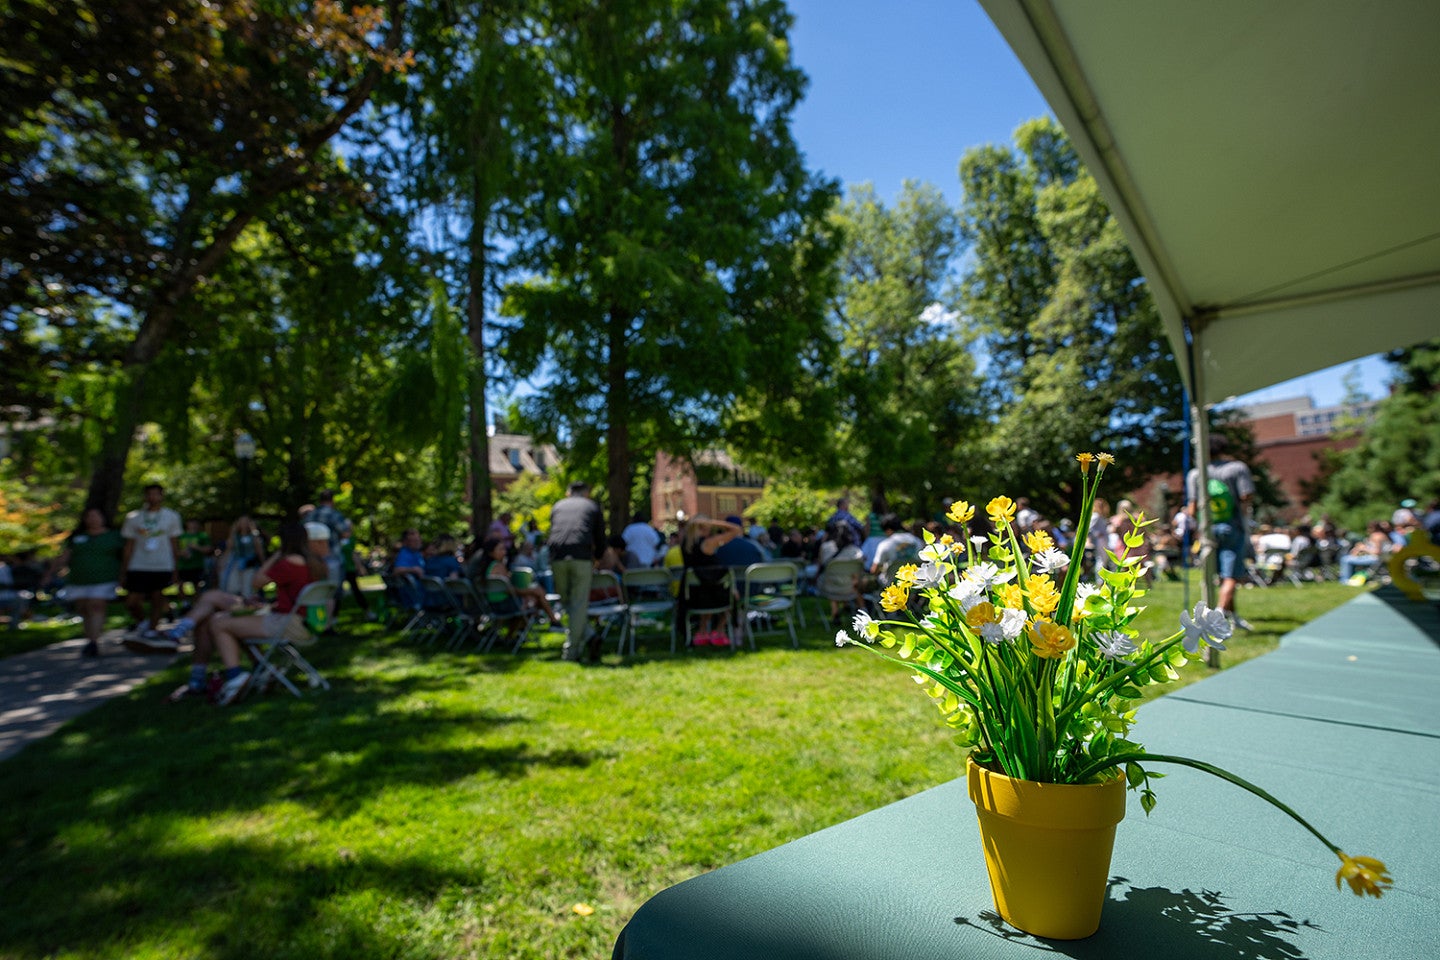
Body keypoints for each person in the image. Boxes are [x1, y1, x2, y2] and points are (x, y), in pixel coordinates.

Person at [171, 522, 327, 705]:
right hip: (308, 622)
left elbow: (257, 581)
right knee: (224, 614)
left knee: (218, 623)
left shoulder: (288, 563)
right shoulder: (315, 562)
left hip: (290, 624)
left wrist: (275, 555)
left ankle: (235, 676)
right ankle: (261, 669)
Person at [1186, 434, 1257, 630]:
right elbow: (1246, 496)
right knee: (1232, 576)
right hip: (1233, 527)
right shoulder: (1236, 468)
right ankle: (1216, 618)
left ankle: (1233, 617)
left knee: (1217, 577)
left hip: (1207, 530)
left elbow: (1192, 509)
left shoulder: (1195, 474)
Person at [53, 508, 125, 658]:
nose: (93, 519)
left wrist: (123, 576)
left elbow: (126, 555)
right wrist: (50, 573)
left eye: (96, 515)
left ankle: (93, 641)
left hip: (104, 578)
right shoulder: (78, 537)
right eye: (89, 516)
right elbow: (65, 556)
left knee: (96, 605)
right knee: (84, 609)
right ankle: (90, 639)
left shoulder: (114, 536)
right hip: (79, 580)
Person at [120, 483, 184, 650]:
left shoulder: (171, 516)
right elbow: (129, 545)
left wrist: (176, 570)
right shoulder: (134, 517)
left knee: (158, 598)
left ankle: (152, 630)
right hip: (138, 564)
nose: (153, 498)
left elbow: (174, 544)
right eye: (149, 494)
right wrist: (124, 570)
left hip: (163, 564)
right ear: (145, 496)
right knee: (132, 601)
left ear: (162, 496)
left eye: (156, 494)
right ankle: (143, 623)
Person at [548, 481, 606, 663]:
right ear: (587, 492)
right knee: (577, 604)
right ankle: (580, 645)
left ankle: (578, 646)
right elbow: (601, 536)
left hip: (557, 557)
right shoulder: (592, 506)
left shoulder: (557, 506)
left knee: (569, 603)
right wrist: (597, 558)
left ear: (568, 492)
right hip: (581, 557)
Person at [680, 515, 743, 647]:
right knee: (731, 596)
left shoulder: (685, 543)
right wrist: (714, 522)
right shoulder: (708, 543)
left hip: (690, 595)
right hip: (711, 594)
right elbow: (736, 530)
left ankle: (702, 632)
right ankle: (719, 630)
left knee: (706, 590)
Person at [477, 536, 560, 627]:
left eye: (504, 549)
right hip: (504, 605)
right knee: (537, 596)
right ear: (491, 552)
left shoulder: (486, 568)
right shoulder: (498, 566)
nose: (504, 552)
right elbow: (509, 590)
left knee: (535, 597)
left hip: (491, 606)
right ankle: (553, 621)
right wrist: (530, 592)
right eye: (500, 549)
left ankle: (513, 636)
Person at [815, 521, 864, 621]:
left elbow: (820, 565)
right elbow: (858, 574)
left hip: (830, 586)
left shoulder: (825, 547)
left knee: (832, 579)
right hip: (849, 588)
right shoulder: (856, 551)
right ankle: (861, 609)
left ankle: (835, 612)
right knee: (849, 580)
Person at [217, 516, 267, 595]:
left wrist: (264, 564)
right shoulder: (234, 536)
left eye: (246, 522)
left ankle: (248, 601)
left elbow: (259, 551)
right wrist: (223, 561)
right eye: (242, 522)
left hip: (250, 563)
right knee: (233, 585)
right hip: (236, 563)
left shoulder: (254, 536)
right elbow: (228, 550)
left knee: (248, 585)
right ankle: (236, 602)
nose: (244, 525)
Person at [870, 514, 923, 582]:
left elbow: (874, 570)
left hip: (893, 585)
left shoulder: (885, 544)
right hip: (916, 583)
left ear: (888, 530)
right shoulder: (917, 541)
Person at [175, 519, 213, 596]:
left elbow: (209, 549)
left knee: (197, 586)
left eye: (196, 523)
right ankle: (184, 603)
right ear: (187, 524)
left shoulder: (202, 535)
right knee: (180, 585)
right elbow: (175, 550)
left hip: (197, 565)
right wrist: (182, 553)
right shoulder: (180, 536)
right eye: (191, 523)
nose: (194, 525)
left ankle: (197, 604)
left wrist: (196, 547)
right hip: (182, 566)